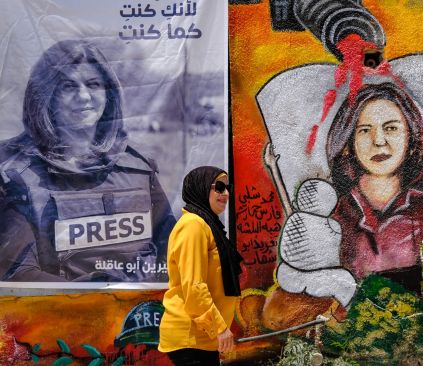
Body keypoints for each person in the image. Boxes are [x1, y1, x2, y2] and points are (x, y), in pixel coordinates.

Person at [0, 40, 175, 282]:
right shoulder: (17, 175)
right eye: (68, 86)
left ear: (108, 93)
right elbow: (17, 275)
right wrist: (97, 292)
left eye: (93, 84)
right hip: (64, 315)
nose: (83, 97)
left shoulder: (138, 167)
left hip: (142, 313)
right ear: (46, 96)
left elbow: (174, 250)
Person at [326, 82, 423, 290]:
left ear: (411, 137)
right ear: (348, 144)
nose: (379, 141)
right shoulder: (337, 213)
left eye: (391, 128)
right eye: (364, 130)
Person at [158, 166, 243, 366]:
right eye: (219, 187)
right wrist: (219, 328)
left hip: (202, 338)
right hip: (191, 337)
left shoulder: (207, 225)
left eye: (227, 187)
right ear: (202, 188)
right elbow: (194, 287)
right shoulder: (193, 226)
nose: (226, 193)